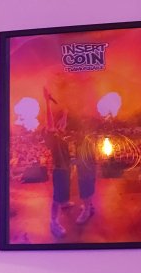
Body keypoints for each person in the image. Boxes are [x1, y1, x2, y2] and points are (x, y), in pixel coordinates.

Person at [41, 87, 96, 237]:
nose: (57, 127)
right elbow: (50, 123)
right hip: (60, 171)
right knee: (57, 197)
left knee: (64, 193)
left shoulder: (58, 135)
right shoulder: (52, 139)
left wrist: (65, 113)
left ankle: (66, 203)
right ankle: (53, 222)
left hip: (66, 169)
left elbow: (62, 125)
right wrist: (47, 102)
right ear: (48, 132)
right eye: (52, 127)